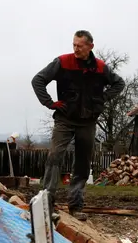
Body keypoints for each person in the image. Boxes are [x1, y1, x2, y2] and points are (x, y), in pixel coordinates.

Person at [32, 30, 125, 220]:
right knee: (55, 157)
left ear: (90, 46)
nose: (75, 49)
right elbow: (38, 80)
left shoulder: (100, 67)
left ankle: (76, 206)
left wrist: (103, 98)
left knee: (82, 164)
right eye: (73, 44)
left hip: (87, 122)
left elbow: (119, 83)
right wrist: (50, 103)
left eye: (79, 46)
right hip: (65, 120)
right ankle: (47, 205)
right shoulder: (63, 62)